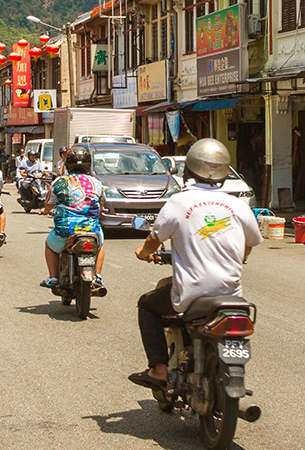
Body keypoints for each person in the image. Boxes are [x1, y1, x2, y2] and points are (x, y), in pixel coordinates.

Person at [128, 137, 260, 391]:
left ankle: (158, 370)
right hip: (230, 294)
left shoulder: (179, 202)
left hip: (192, 293)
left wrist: (143, 253)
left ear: (189, 169)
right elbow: (250, 242)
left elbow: (154, 238)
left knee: (147, 305)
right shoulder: (236, 205)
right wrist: (240, 258)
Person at [43, 144, 105, 292]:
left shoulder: (59, 182)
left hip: (65, 230)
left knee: (49, 246)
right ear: (89, 164)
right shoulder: (97, 183)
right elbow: (101, 206)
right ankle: (97, 276)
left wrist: (44, 211)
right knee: (100, 245)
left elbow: (48, 206)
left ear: (68, 164)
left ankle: (53, 277)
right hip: (91, 230)